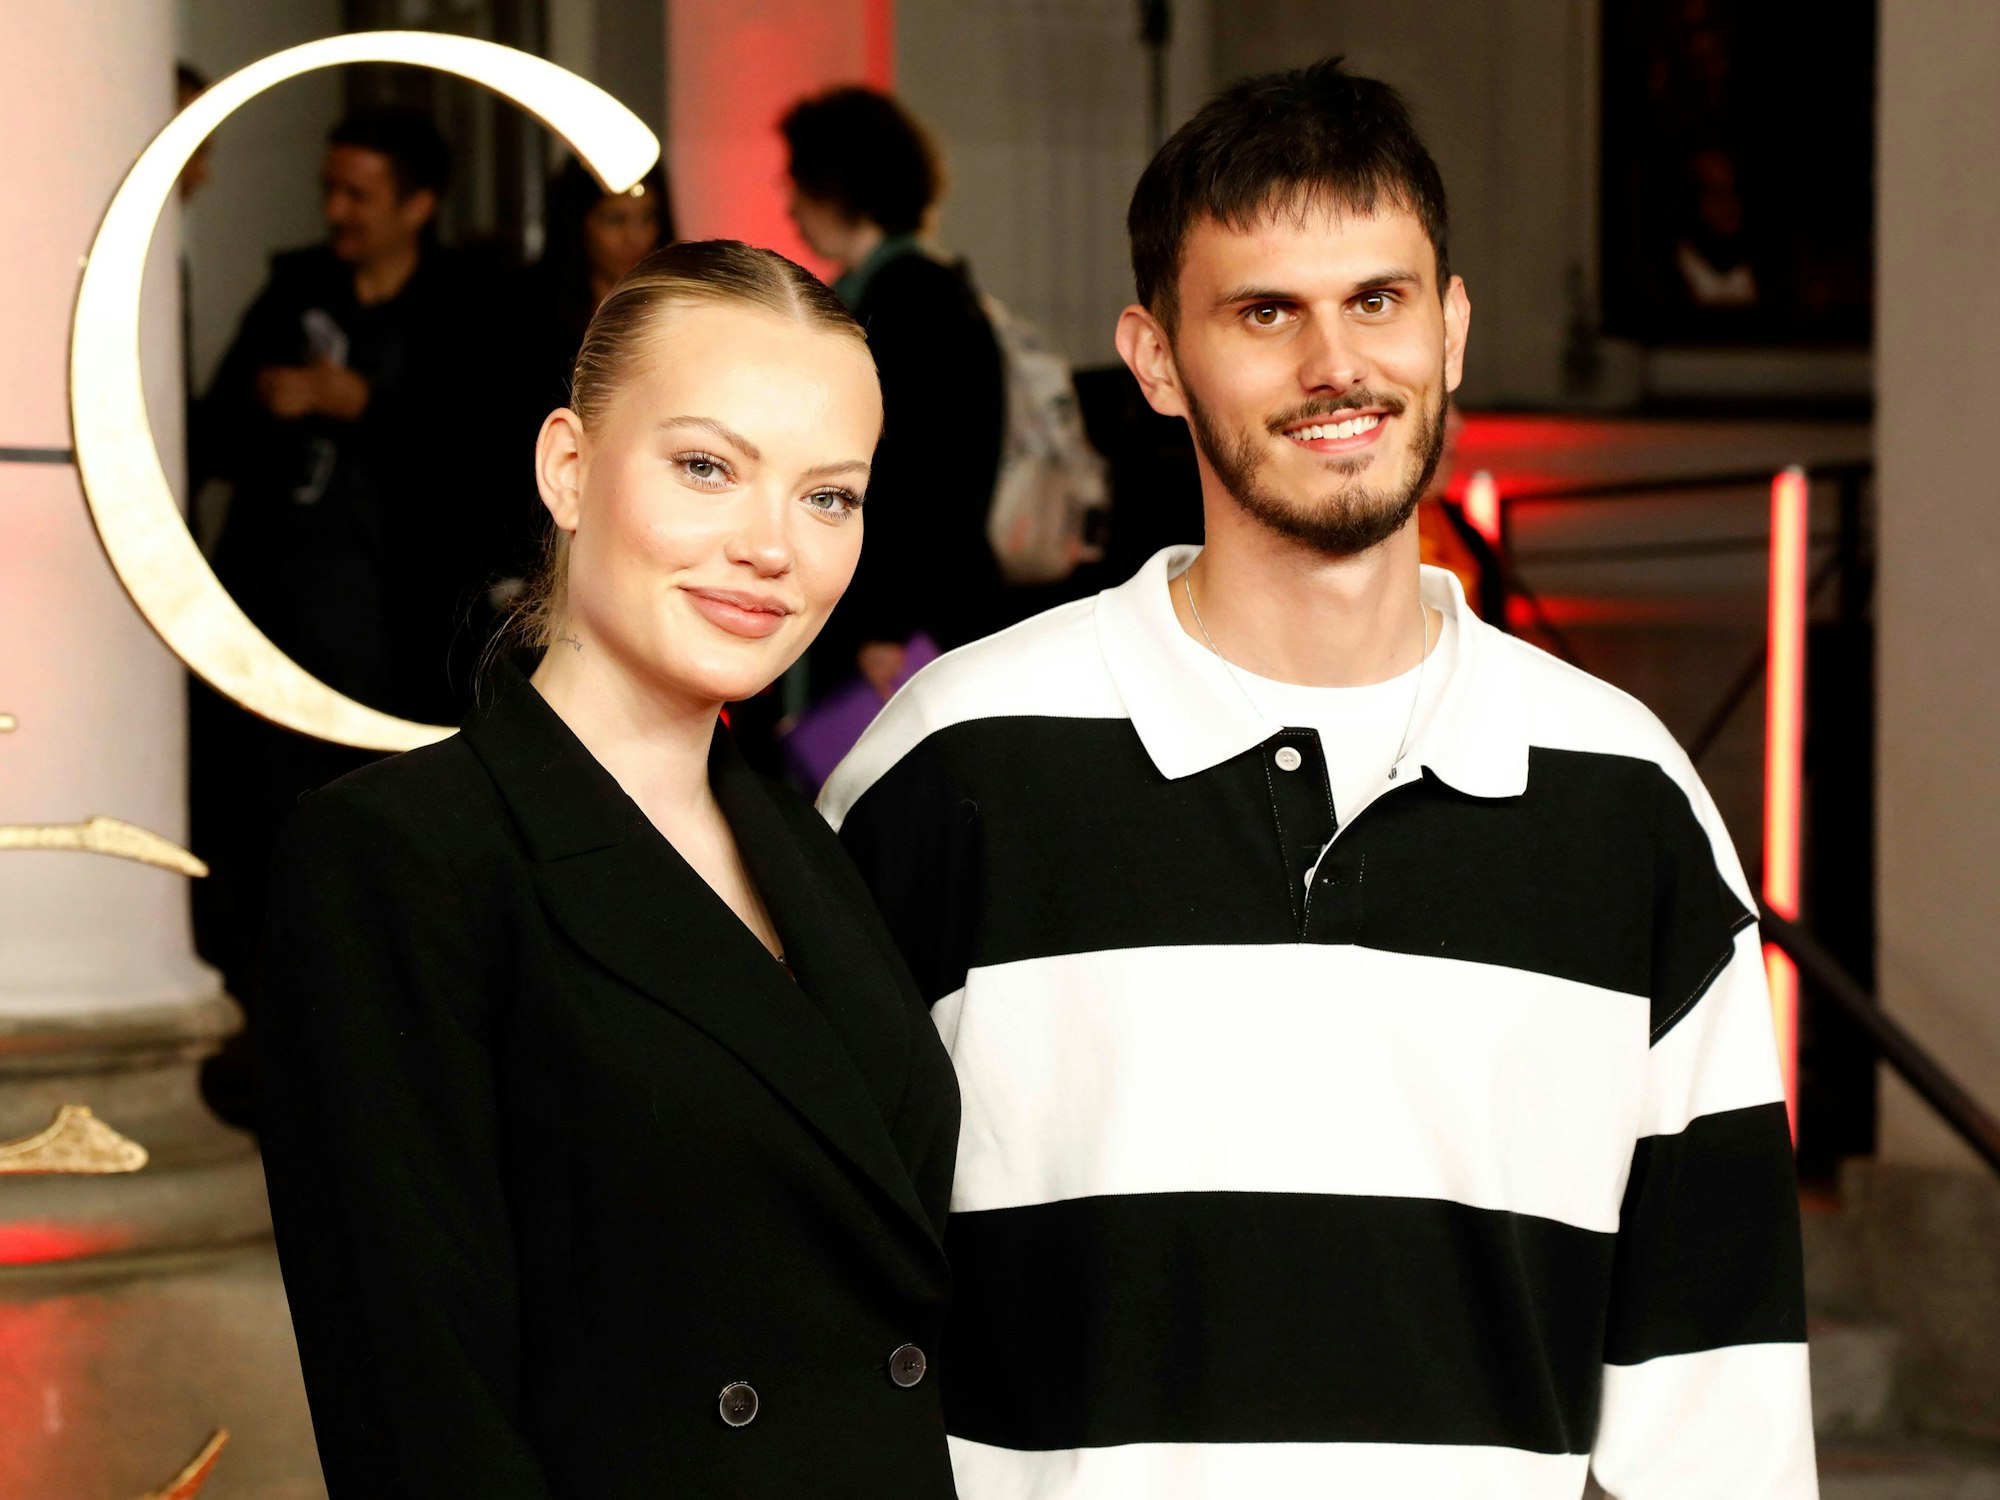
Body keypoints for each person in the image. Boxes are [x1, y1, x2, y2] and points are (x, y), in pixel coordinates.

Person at [822, 59, 1814, 1498]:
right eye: (1264, 311)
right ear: (1155, 360)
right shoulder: (956, 761)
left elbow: (1719, 1401)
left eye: (1379, 300)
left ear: (1453, 327)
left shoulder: (1626, 800)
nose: (1335, 365)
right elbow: (806, 1290)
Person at [256, 241, 960, 1498]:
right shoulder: (399, 857)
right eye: (706, 468)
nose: (770, 548)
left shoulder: (813, 842)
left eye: (828, 497)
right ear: (568, 470)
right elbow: (420, 1415)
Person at [780, 86, 1006, 701]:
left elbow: (923, 475)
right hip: (887, 612)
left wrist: (891, 624)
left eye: (797, 181)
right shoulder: (889, 290)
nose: (789, 204)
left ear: (835, 183)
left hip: (895, 624)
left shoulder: (911, 299)